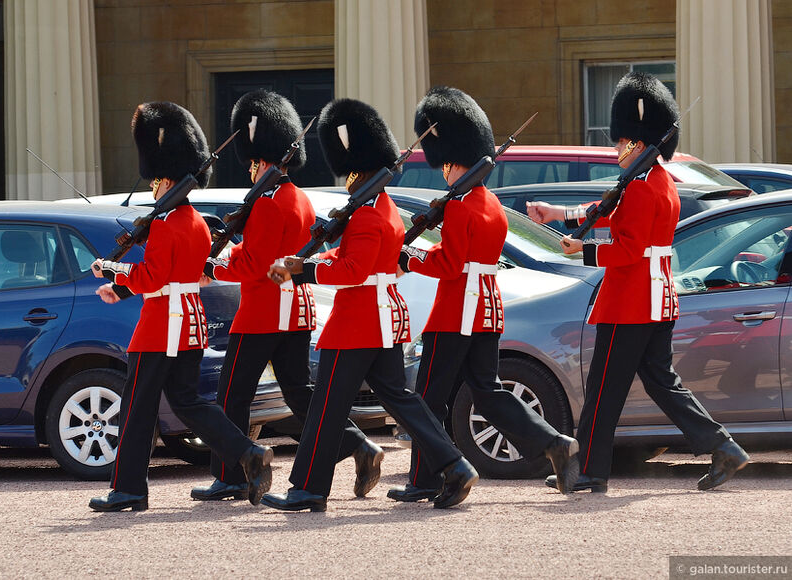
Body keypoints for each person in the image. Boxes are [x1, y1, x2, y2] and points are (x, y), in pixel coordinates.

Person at [527, 72, 749, 492]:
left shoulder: (644, 187)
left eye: (619, 141)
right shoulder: (656, 181)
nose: (615, 148)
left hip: (631, 300)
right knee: (662, 381)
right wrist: (559, 213)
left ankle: (590, 470)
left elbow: (627, 248)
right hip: (656, 298)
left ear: (637, 142)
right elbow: (609, 209)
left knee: (605, 388)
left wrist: (583, 250)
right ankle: (723, 447)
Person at [261, 98, 478, 512]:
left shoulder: (365, 214)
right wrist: (320, 259)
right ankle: (454, 464)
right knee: (401, 400)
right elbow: (360, 260)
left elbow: (354, 271)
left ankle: (308, 488)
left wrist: (301, 271)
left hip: (359, 321)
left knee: (326, 406)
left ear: (357, 172)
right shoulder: (383, 208)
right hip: (384, 319)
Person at [191, 89, 384, 502]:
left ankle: (231, 475)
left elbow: (252, 262)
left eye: (251, 163)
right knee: (299, 392)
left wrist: (213, 265)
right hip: (296, 310)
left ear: (261, 160)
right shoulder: (296, 196)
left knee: (232, 394)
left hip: (262, 312)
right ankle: (356, 444)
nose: (249, 170)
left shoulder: (267, 203)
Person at [390, 86, 581, 501]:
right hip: (487, 308)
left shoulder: (459, 206)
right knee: (488, 392)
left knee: (427, 398)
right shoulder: (489, 203)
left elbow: (449, 265)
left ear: (450, 162)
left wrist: (409, 259)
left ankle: (426, 478)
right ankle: (553, 443)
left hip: (457, 310)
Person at [88, 101, 273, 512]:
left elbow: (153, 277)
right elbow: (173, 274)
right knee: (189, 403)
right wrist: (121, 287)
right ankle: (247, 452)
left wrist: (111, 271)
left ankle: (129, 490)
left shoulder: (167, 223)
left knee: (137, 408)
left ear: (163, 178)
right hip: (189, 321)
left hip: (161, 327)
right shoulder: (193, 221)